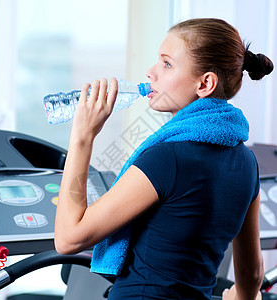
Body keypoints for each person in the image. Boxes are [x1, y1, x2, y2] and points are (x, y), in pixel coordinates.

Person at [54, 18, 274, 300]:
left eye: (166, 64)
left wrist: (82, 137)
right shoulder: (248, 163)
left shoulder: (167, 159)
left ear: (205, 83)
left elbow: (69, 238)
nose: (151, 72)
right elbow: (251, 276)